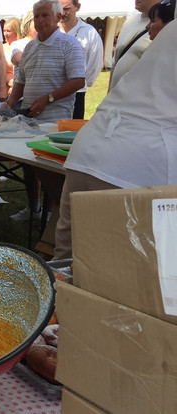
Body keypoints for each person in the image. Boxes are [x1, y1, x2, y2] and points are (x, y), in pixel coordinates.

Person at [54, 15, 177, 260]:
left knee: (67, 259)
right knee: (122, 271)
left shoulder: (171, 30)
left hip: (91, 146)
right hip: (137, 160)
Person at [6, 0, 85, 223]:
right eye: (36, 16)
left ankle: (54, 213)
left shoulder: (70, 45)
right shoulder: (29, 47)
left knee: (49, 168)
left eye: (44, 16)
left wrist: (49, 98)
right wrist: (9, 104)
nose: (40, 21)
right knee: (29, 165)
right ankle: (33, 208)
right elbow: (20, 80)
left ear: (58, 17)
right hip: (28, 117)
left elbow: (78, 80)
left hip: (55, 119)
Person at [58, 0, 105, 119]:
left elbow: (95, 62)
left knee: (71, 131)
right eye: (60, 9)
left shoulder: (89, 32)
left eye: (66, 9)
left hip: (76, 92)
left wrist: (81, 81)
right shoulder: (52, 30)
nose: (62, 13)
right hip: (52, 91)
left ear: (77, 7)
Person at [109, 0, 160, 90]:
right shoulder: (130, 21)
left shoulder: (165, 25)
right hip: (117, 98)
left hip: (140, 97)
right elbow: (115, 64)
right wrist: (109, 93)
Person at [2, 17, 22, 97]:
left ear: (17, 31)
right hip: (5, 90)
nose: (5, 34)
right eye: (4, 31)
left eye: (8, 31)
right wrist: (9, 81)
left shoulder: (24, 46)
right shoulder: (1, 48)